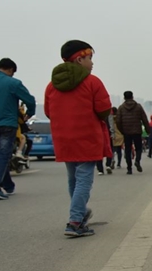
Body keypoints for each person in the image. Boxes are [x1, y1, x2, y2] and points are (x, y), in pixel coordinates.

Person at [44, 40, 111, 236]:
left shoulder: (51, 86)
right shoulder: (92, 82)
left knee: (73, 179)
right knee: (84, 180)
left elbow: (49, 112)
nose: (92, 63)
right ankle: (74, 221)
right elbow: (103, 110)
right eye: (90, 58)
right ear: (79, 58)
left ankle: (80, 213)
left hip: (64, 139)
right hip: (87, 139)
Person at [0, 58, 36, 199]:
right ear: (11, 70)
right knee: (4, 155)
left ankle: (8, 185)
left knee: (1, 155)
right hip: (7, 124)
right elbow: (30, 100)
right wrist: (29, 113)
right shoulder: (14, 83)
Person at [116, 91, 149, 174]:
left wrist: (122, 131)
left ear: (124, 98)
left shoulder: (121, 108)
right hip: (137, 131)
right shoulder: (138, 107)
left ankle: (129, 168)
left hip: (126, 132)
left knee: (127, 150)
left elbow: (118, 121)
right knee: (138, 148)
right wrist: (148, 130)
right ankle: (137, 160)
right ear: (132, 97)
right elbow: (144, 119)